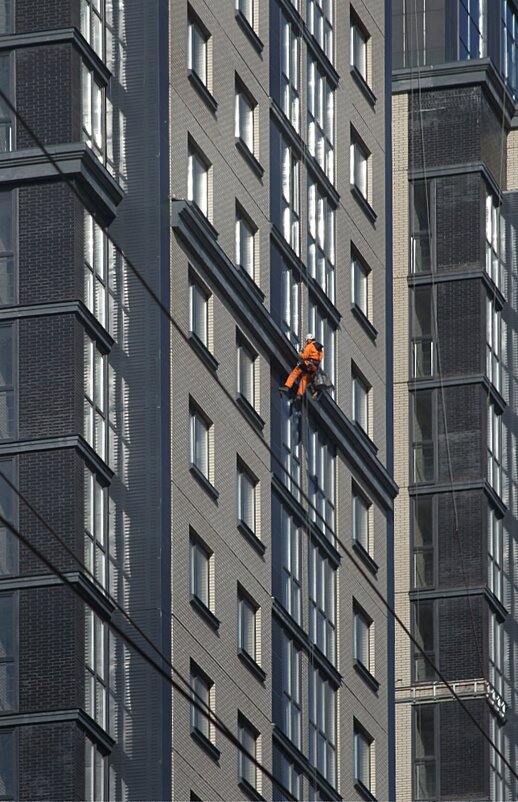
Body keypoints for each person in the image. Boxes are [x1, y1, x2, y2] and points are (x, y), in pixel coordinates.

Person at [280, 333, 324, 398]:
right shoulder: (319, 349)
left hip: (307, 364)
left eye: (307, 340)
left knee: (295, 373)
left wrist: (300, 354)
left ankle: (287, 386)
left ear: (309, 339)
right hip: (314, 367)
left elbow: (305, 356)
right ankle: (299, 394)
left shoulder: (310, 346)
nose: (306, 342)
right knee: (305, 379)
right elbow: (320, 358)